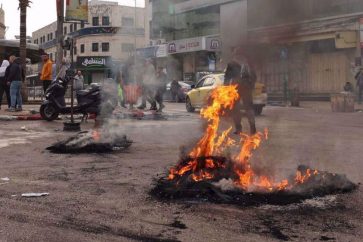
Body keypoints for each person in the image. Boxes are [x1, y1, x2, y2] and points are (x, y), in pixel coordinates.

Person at [224, 47, 256, 134]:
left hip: (236, 88)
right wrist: (251, 85)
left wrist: (226, 87)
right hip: (246, 88)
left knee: (236, 108)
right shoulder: (248, 63)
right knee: (248, 108)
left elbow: (227, 77)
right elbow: (254, 76)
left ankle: (239, 128)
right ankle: (252, 129)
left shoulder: (232, 63)